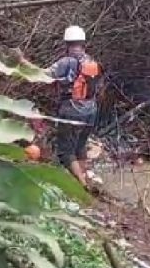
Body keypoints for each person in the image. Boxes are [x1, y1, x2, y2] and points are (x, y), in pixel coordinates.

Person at [24, 25, 103, 187]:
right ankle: (85, 177)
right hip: (91, 110)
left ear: (66, 44)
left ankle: (83, 185)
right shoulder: (92, 62)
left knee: (65, 151)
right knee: (80, 147)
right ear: (83, 43)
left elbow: (42, 75)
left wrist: (21, 61)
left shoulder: (66, 62)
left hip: (72, 110)